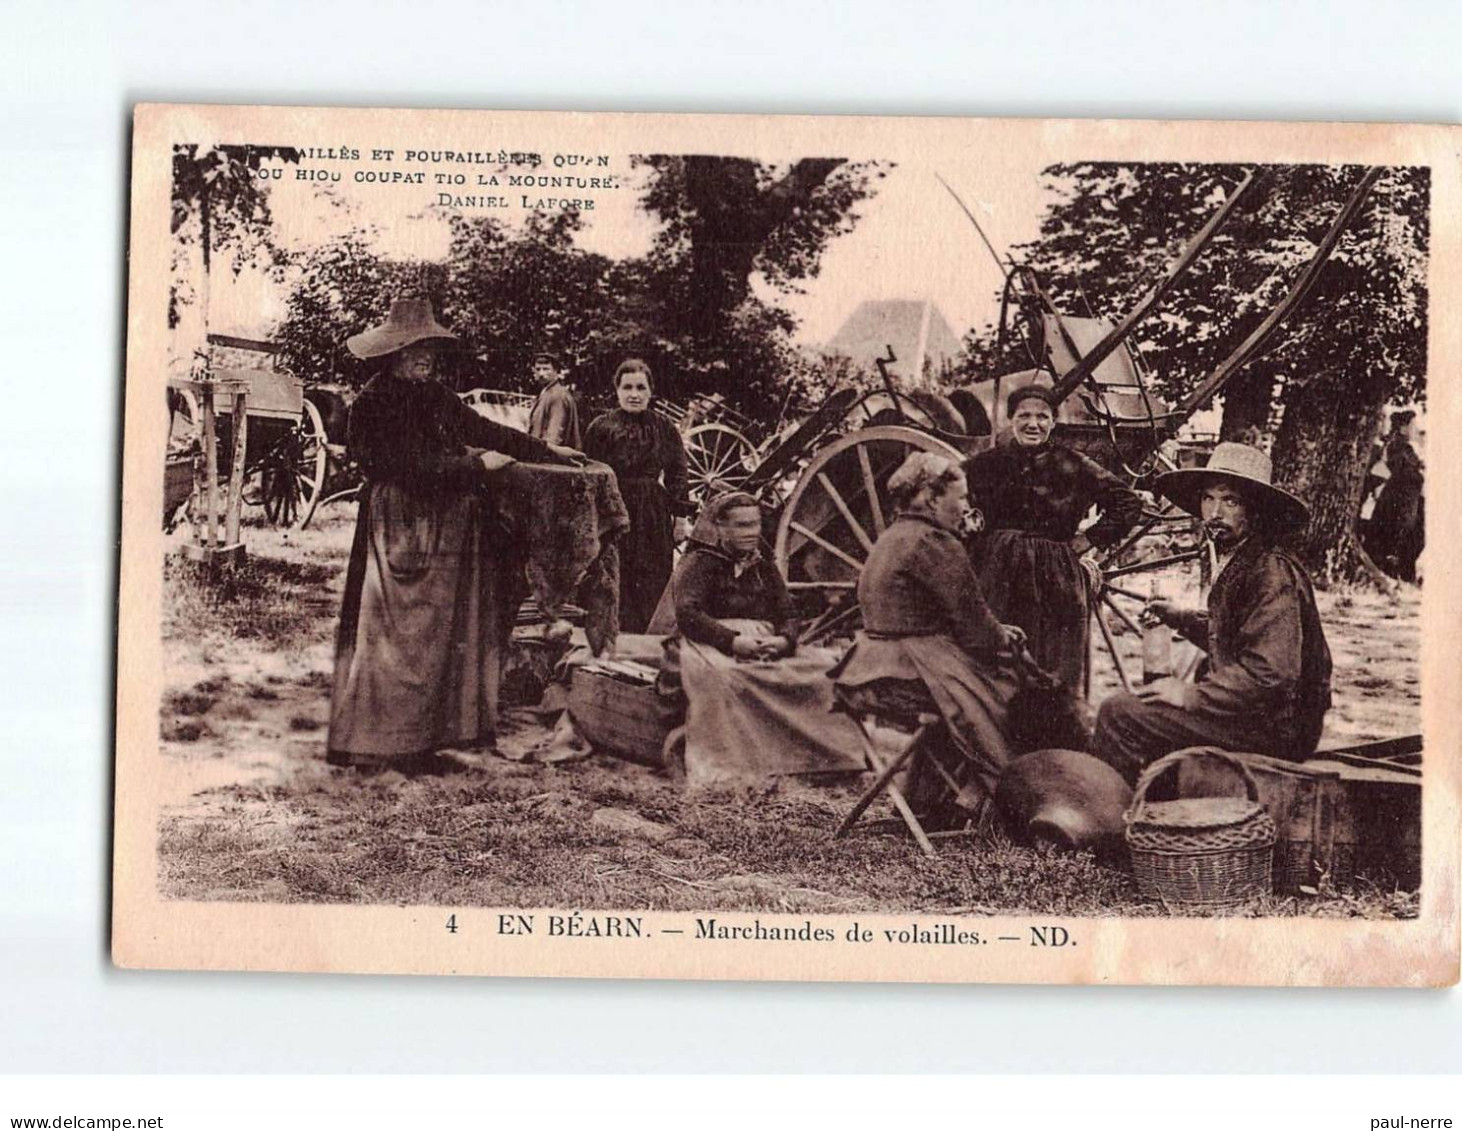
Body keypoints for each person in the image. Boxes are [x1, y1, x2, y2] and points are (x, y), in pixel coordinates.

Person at [327, 299, 578, 771]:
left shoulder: (437, 395)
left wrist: (546, 450)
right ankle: (382, 744)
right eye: (415, 348)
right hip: (399, 522)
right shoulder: (370, 405)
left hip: (445, 523)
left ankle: (426, 741)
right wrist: (473, 466)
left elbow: (481, 427)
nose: (425, 357)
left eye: (430, 349)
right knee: (398, 634)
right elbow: (395, 465)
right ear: (393, 351)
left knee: (439, 633)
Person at [1091, 442, 1333, 784]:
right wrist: (1180, 618)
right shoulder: (1243, 558)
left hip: (1278, 727)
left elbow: (1271, 674)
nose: (1215, 512)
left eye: (1230, 501)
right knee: (1145, 706)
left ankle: (1111, 826)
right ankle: (1157, 811)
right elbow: (1237, 637)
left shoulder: (1270, 571)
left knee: (1120, 713)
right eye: (1208, 499)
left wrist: (1190, 695)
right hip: (1256, 714)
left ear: (1255, 511)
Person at [830, 452, 1026, 816]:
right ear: (932, 498)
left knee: (983, 689)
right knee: (1014, 689)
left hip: (866, 671)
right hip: (909, 672)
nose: (967, 506)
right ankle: (1005, 800)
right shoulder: (934, 542)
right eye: (962, 497)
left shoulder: (893, 536)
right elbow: (977, 629)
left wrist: (995, 632)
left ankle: (933, 797)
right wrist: (1006, 638)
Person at [960, 383, 1143, 691]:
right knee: (997, 655)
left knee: (1052, 658)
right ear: (1010, 419)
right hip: (997, 570)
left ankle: (1051, 728)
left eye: (1042, 417)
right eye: (1024, 416)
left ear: (1054, 422)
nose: (1033, 424)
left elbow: (1128, 503)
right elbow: (947, 494)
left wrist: (1089, 539)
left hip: (1054, 573)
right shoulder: (985, 464)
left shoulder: (1073, 463)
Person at [582, 358, 694, 633]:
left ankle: (648, 639)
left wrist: (680, 518)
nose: (634, 394)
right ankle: (610, 636)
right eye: (627, 387)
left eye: (641, 388)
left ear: (650, 391)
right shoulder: (601, 427)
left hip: (652, 513)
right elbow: (588, 474)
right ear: (617, 390)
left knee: (652, 575)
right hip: (612, 511)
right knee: (612, 573)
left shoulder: (664, 428)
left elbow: (677, 472)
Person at [1366, 410, 1425, 583]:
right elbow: (1403, 471)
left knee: (1414, 535)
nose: (1415, 429)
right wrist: (1419, 471)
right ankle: (1398, 574)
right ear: (1403, 428)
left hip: (1407, 497)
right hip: (1399, 498)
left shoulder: (1407, 447)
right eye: (1413, 425)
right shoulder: (1396, 446)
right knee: (1400, 534)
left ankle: (1404, 574)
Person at [526, 351, 581, 449]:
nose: (541, 373)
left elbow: (555, 437)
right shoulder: (547, 393)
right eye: (538, 369)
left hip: (552, 460)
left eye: (546, 369)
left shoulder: (557, 395)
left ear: (556, 371)